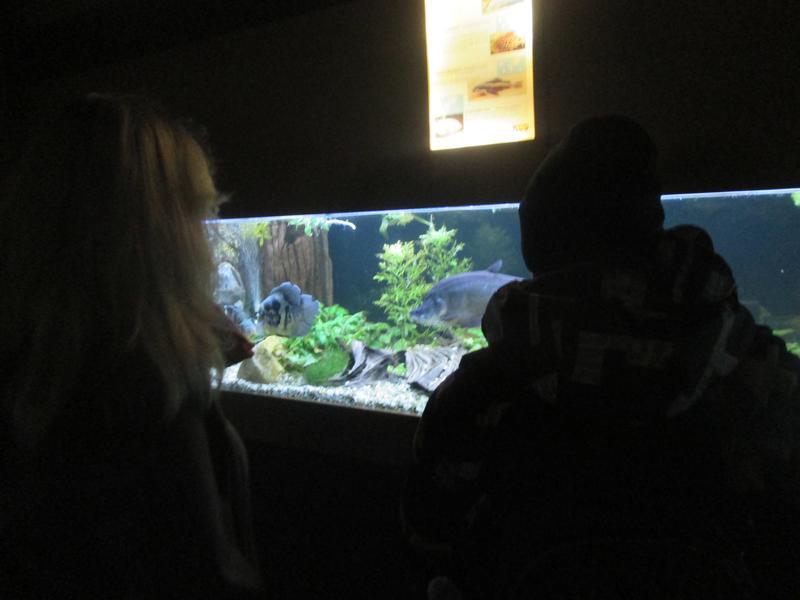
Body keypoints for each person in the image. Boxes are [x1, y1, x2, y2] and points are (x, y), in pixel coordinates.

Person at [402, 115, 800, 599]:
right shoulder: (761, 370)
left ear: (539, 250)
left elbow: (428, 537)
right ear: (653, 232)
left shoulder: (479, 391)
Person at [0, 94, 263, 598]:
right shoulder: (145, 385)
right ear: (158, 235)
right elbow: (203, 571)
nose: (205, 239)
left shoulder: (37, 356)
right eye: (196, 212)